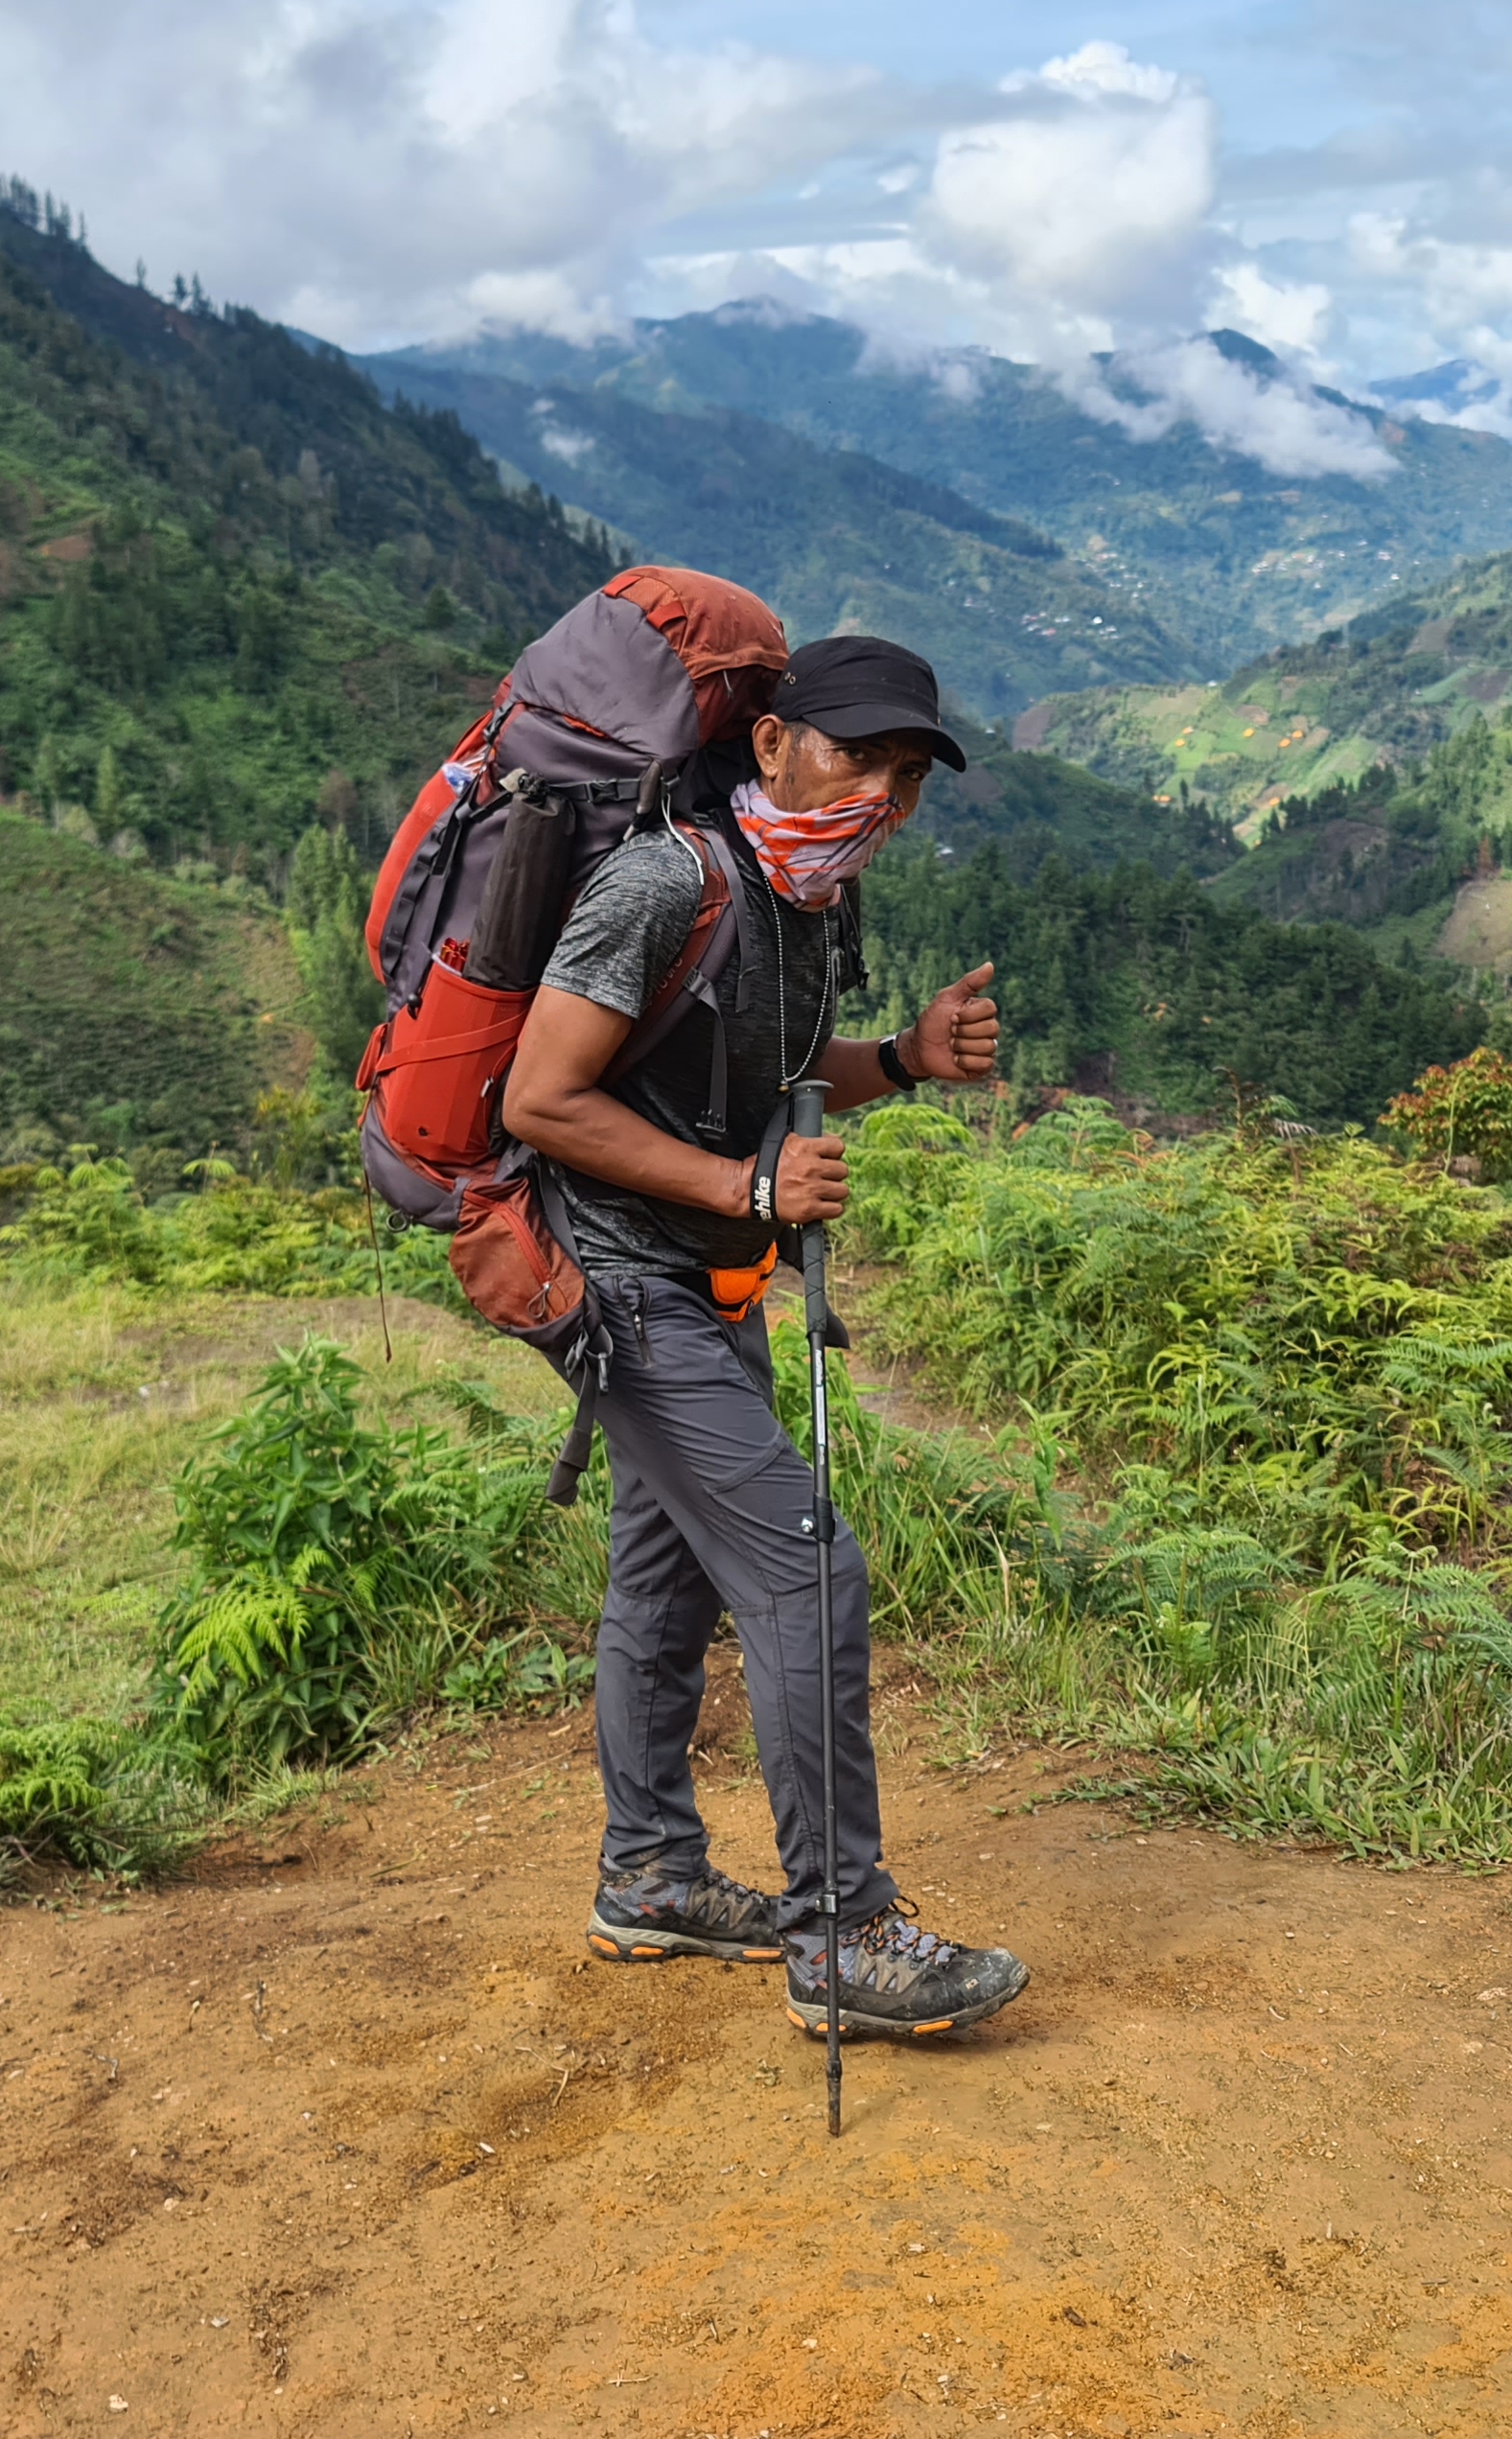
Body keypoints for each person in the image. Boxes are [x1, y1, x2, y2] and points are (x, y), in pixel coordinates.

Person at [500, 632, 1030, 2042]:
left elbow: (775, 1078)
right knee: (807, 1570)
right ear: (775, 742)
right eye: (860, 759)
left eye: (907, 777)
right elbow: (541, 1102)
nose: (883, 799)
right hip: (620, 1284)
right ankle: (841, 1935)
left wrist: (903, 1062)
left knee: (667, 1581)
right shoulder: (661, 884)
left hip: (705, 1280)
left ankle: (653, 1877)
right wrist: (745, 1189)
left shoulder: (807, 893)